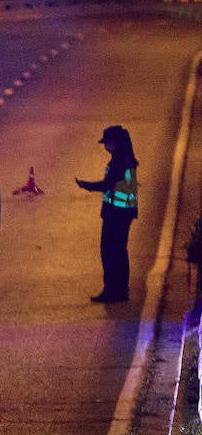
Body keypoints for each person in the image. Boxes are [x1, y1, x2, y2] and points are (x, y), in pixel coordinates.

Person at [75, 124, 139, 303]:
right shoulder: (123, 158)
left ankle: (114, 291)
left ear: (115, 142)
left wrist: (87, 186)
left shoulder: (121, 161)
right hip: (118, 213)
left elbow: (108, 184)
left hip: (118, 215)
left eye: (107, 143)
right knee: (115, 252)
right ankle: (116, 290)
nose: (105, 147)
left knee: (112, 253)